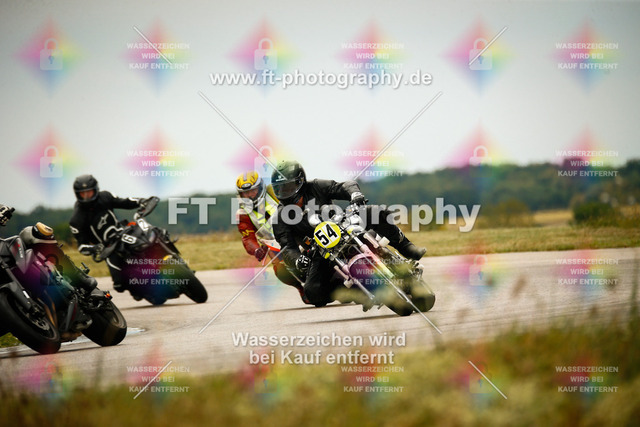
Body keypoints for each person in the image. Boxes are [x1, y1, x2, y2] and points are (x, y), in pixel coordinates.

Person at [271, 160, 426, 307]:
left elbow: (344, 185)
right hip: (320, 252)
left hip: (343, 227)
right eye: (280, 189)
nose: (285, 192)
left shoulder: (316, 186)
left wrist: (354, 194)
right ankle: (351, 291)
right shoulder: (279, 218)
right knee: (313, 293)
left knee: (377, 212)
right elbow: (287, 248)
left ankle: (407, 247)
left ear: (301, 182)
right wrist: (298, 260)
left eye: (288, 187)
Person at [235, 171, 309, 303]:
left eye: (252, 191)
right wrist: (256, 250)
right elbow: (247, 238)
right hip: (274, 242)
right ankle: (301, 288)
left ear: (260, 188)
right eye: (245, 193)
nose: (249, 195)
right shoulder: (242, 213)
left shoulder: (275, 192)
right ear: (240, 195)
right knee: (279, 269)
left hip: (295, 231)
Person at [69, 174, 144, 292]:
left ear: (96, 190)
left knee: (147, 236)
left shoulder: (105, 196)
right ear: (77, 194)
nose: (86, 196)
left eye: (89, 192)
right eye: (83, 194)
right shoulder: (76, 219)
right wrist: (95, 248)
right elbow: (81, 246)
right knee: (119, 285)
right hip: (108, 248)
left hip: (123, 232)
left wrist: (141, 202)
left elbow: (124, 202)